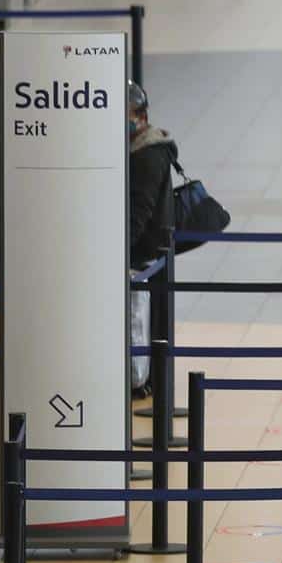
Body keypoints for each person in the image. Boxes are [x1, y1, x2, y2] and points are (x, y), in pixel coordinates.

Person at [127, 82, 177, 395]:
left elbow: (138, 212)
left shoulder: (146, 155)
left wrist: (119, 252)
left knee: (140, 319)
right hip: (148, 250)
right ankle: (147, 378)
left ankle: (140, 380)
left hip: (143, 252)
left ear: (141, 116)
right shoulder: (140, 149)